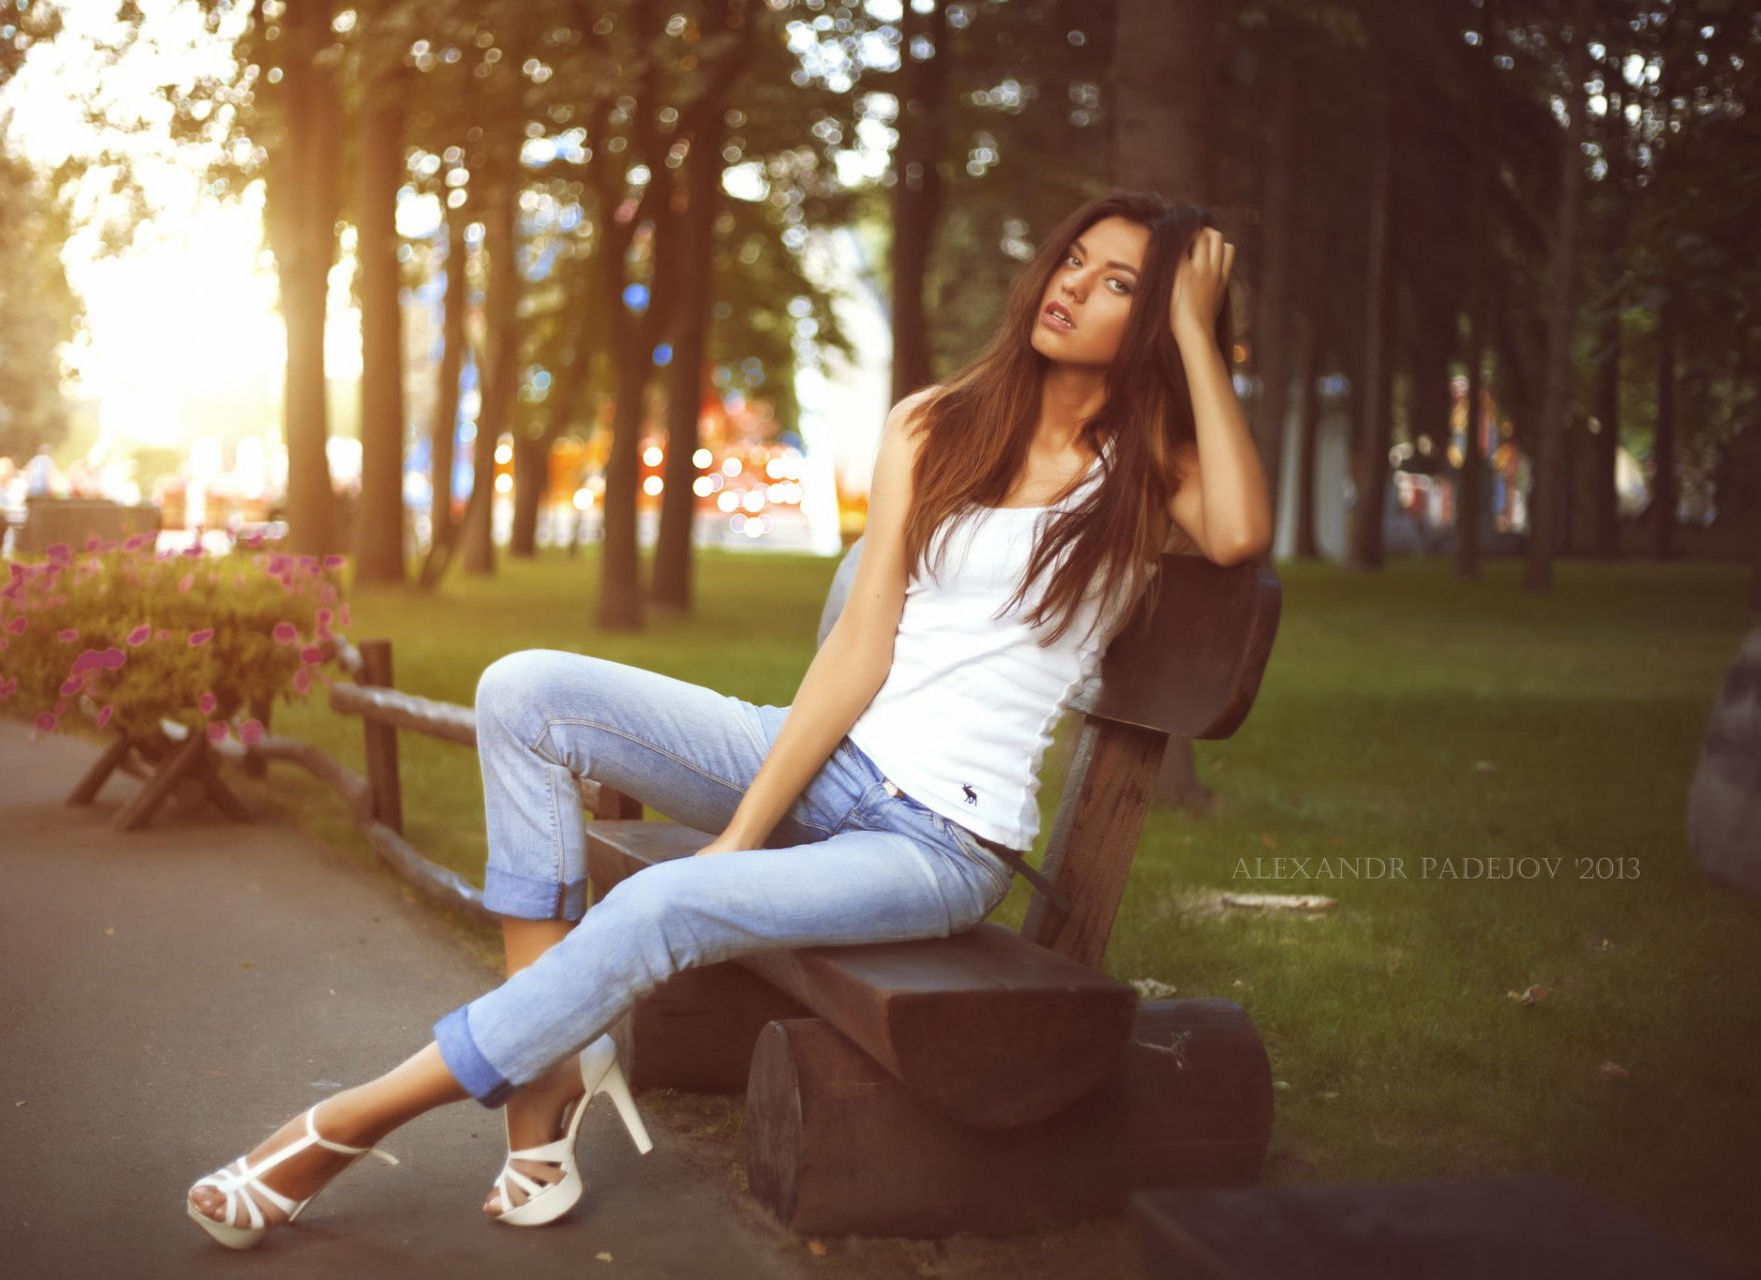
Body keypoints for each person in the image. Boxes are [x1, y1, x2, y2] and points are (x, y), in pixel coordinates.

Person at [185, 190, 1273, 1248]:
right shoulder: (938, 422)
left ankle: (340, 1125)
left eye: (1121, 282)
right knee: (524, 688)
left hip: (936, 838)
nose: (1074, 287)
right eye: (1074, 260)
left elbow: (1239, 534)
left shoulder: (1144, 469)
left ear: (1163, 318)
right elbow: (859, 652)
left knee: (664, 902)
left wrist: (1193, 329)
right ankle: (548, 1074)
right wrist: (748, 829)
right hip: (824, 755)